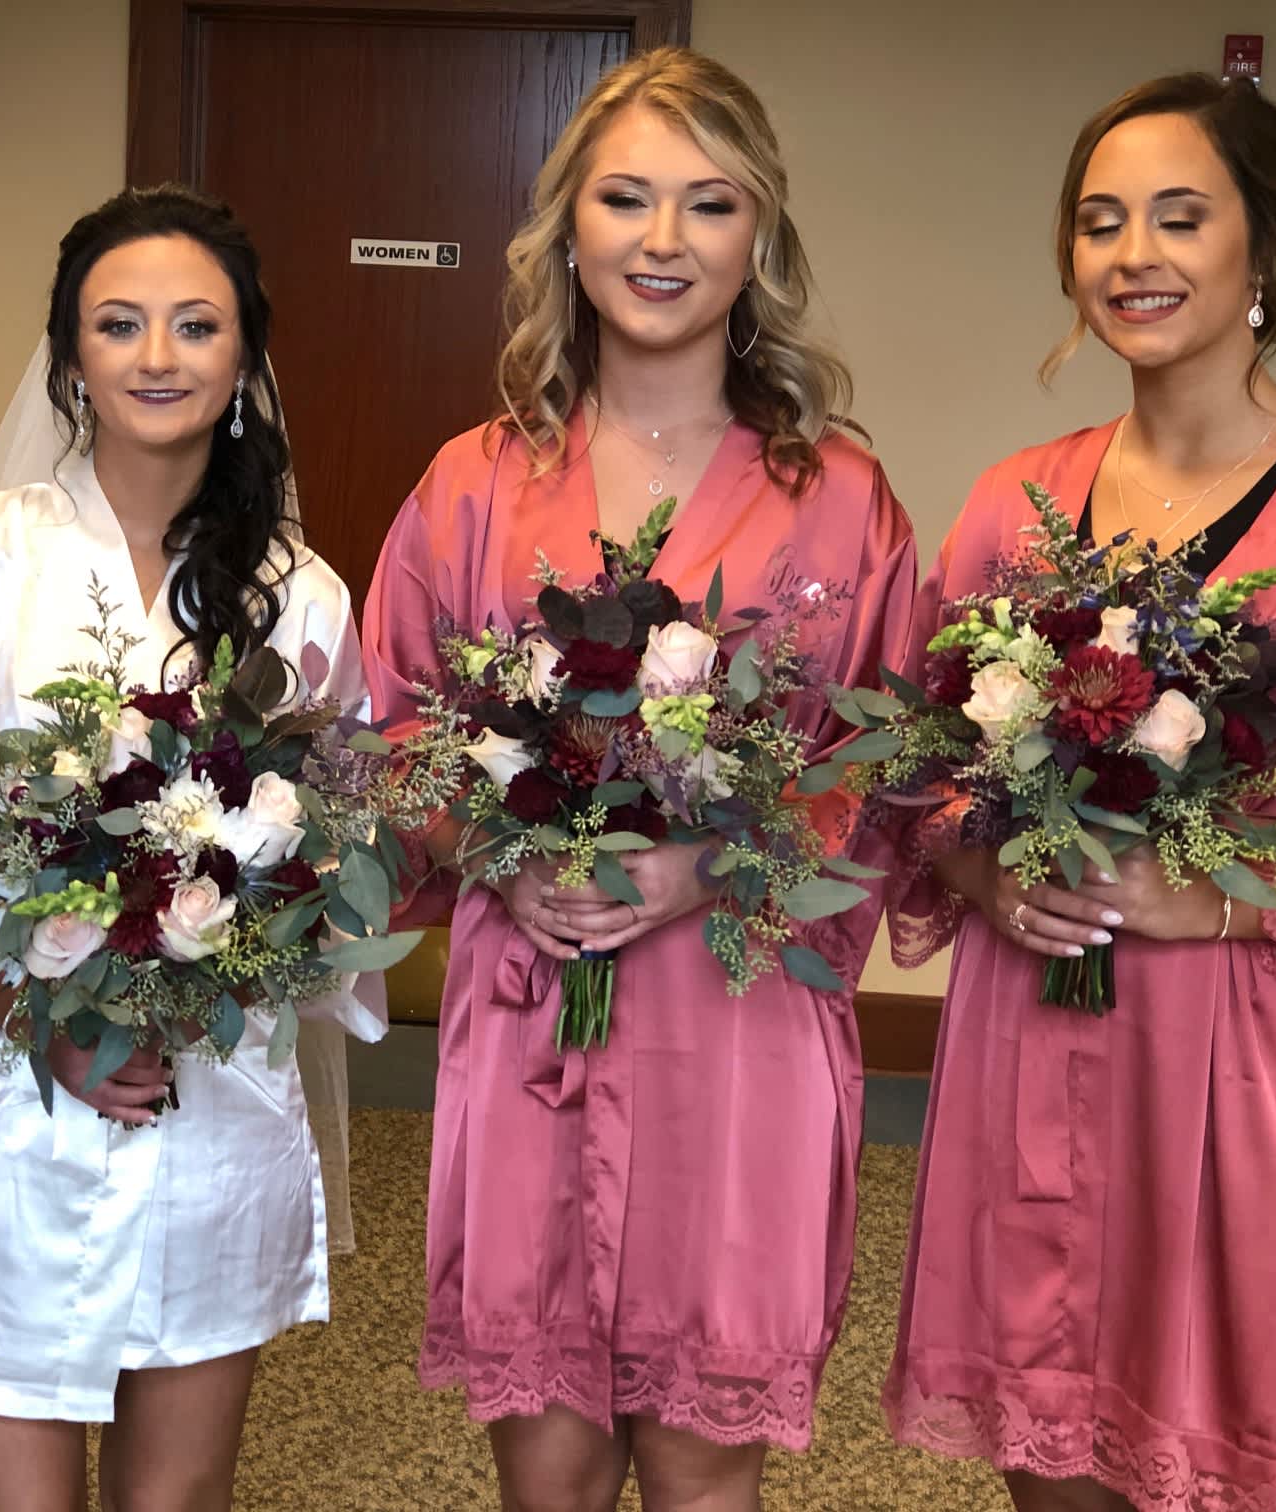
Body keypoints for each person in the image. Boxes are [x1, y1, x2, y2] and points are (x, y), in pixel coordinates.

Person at [362, 46, 918, 1512]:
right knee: (545, 1466)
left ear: (758, 237)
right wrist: (497, 852)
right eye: (626, 198)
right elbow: (394, 728)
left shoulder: (839, 499)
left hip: (738, 1021)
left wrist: (710, 861)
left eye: (709, 203)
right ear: (570, 228)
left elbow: (882, 769)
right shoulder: (473, 484)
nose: (663, 239)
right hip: (529, 1005)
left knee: (701, 1464)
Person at [0, 184, 382, 1512]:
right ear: (71, 355)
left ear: (244, 358)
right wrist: (44, 1020)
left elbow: (334, 857)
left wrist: (208, 963)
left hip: (205, 1089)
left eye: (196, 324)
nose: (156, 356)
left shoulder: (300, 594)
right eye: (119, 323)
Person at [884, 73, 1276, 1512]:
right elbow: (919, 768)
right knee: (1054, 1457)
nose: (1134, 255)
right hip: (1036, 1056)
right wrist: (982, 870)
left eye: (1179, 217)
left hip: (1258, 1076)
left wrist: (1217, 901)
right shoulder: (1013, 501)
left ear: (1265, 247)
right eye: (1100, 224)